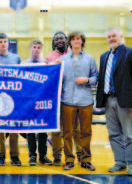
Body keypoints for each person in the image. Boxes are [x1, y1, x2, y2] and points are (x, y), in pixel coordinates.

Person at [96, 28, 132, 176]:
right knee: (113, 134)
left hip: (125, 99)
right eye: (109, 37)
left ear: (121, 37)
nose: (111, 38)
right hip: (108, 99)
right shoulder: (104, 56)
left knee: (129, 134)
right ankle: (120, 162)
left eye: (114, 36)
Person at [60, 31, 98, 171]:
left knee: (86, 132)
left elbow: (95, 78)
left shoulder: (90, 59)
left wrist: (87, 80)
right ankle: (69, 159)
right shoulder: (63, 60)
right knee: (68, 132)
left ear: (82, 41)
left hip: (85, 102)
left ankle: (85, 159)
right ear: (70, 42)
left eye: (79, 39)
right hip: (67, 101)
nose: (76, 41)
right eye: (74, 39)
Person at [46, 31, 82, 166]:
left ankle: (80, 155)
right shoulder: (49, 57)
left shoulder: (74, 54)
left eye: (61, 38)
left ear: (67, 40)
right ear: (53, 42)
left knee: (75, 129)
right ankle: (57, 156)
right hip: (56, 97)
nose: (59, 41)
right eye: (56, 39)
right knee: (56, 130)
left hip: (73, 97)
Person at [23, 40, 52, 166]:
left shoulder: (46, 64)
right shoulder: (23, 64)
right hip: (29, 101)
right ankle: (32, 156)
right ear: (30, 48)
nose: (36, 49)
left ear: (41, 49)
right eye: (34, 46)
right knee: (30, 130)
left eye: (38, 47)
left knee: (42, 129)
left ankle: (43, 155)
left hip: (42, 101)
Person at [0, 33, 21, 166]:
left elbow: (22, 76)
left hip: (13, 97)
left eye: (5, 41)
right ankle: (1, 156)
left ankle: (15, 156)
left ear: (8, 43)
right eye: (0, 41)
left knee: (13, 129)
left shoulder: (16, 58)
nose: (3, 43)